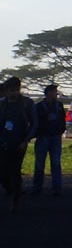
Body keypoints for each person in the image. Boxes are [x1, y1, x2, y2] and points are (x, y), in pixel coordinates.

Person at [0, 77, 34, 212]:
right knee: (2, 171)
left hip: (19, 143)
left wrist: (26, 140)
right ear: (6, 91)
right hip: (3, 142)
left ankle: (14, 201)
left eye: (17, 90)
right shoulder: (2, 104)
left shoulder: (27, 103)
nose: (15, 93)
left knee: (15, 171)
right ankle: (11, 190)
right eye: (11, 90)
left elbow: (34, 123)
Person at [30, 83, 65, 197]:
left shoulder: (59, 105)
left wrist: (60, 130)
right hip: (43, 136)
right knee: (40, 163)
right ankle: (37, 186)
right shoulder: (39, 106)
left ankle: (56, 187)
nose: (56, 94)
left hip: (55, 136)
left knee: (55, 163)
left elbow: (62, 120)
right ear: (49, 93)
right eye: (54, 92)